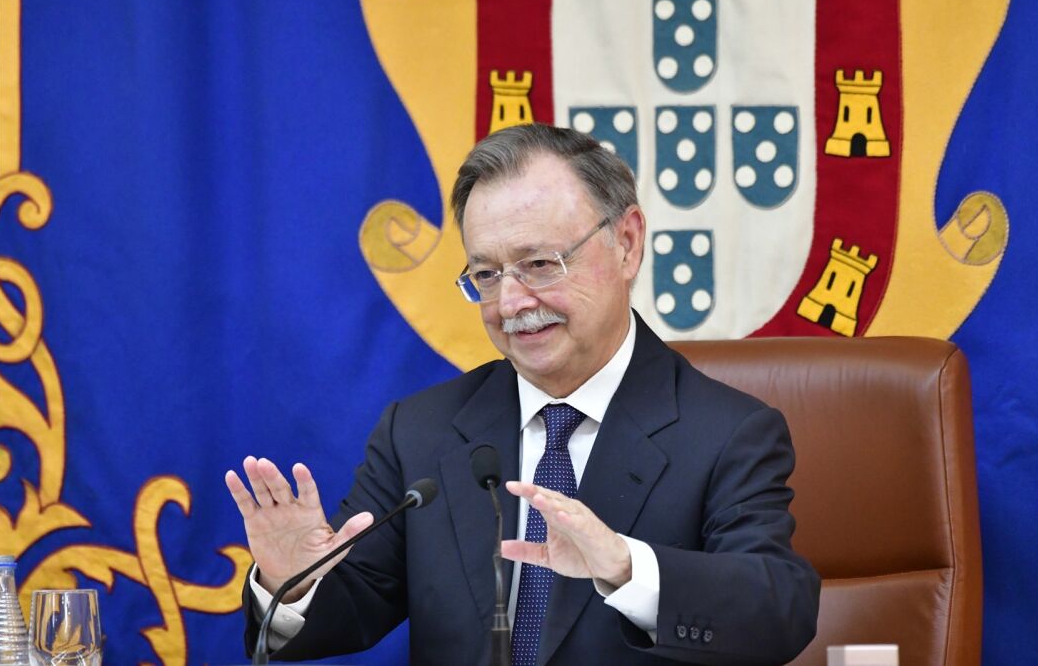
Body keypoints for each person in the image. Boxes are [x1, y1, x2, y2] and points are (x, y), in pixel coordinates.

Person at [224, 123, 820, 665]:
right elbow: (349, 611)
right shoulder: (421, 432)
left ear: (627, 243)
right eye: (486, 275)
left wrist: (625, 567)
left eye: (539, 263)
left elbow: (777, 617)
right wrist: (292, 584)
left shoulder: (728, 433)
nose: (510, 304)